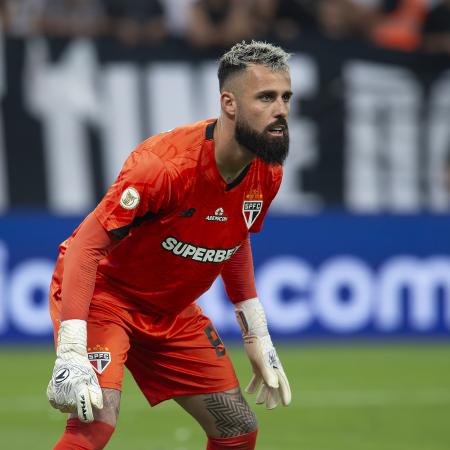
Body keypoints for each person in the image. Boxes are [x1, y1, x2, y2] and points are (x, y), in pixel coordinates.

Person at [46, 40, 292, 450]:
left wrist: (257, 333)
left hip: (172, 312)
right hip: (106, 298)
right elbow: (86, 246)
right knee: (96, 420)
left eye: (286, 97)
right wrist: (71, 351)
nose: (281, 110)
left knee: (237, 429)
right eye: (266, 97)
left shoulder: (267, 172)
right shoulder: (164, 167)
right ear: (229, 104)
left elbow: (235, 235)